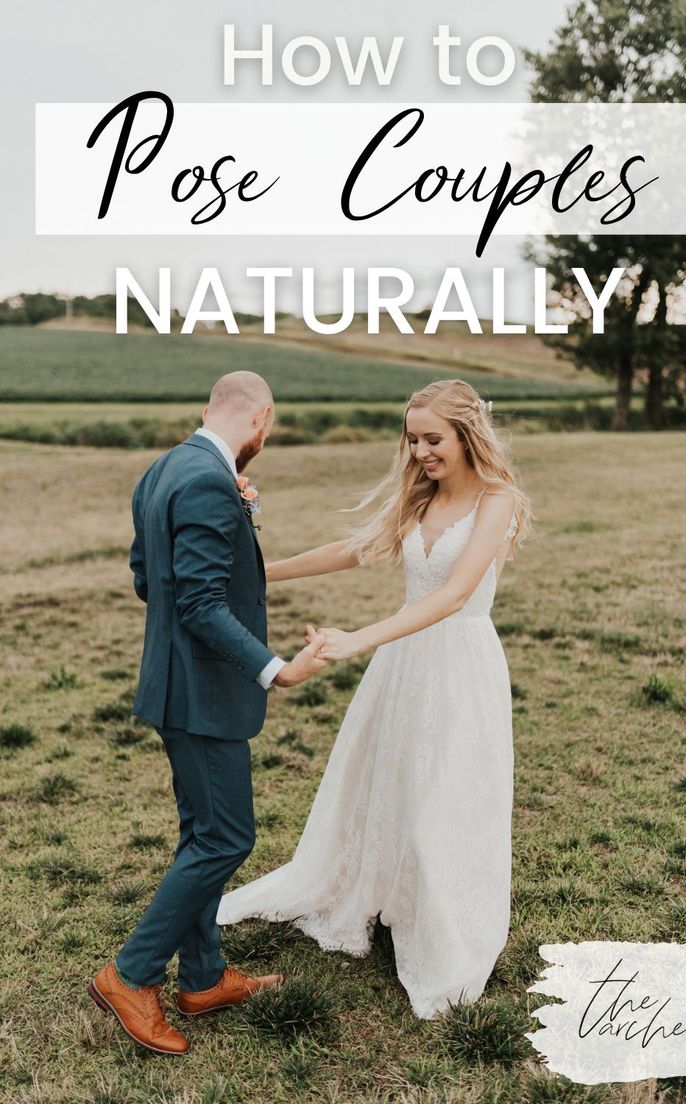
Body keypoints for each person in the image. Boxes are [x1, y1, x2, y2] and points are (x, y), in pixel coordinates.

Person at [217, 378, 531, 1019]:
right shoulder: (422, 497)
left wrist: (359, 638)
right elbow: (353, 549)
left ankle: (444, 929)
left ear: (468, 436)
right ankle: (380, 891)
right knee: (391, 786)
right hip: (405, 663)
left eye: (433, 439)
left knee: (444, 797)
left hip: (461, 662)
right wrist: (255, 571)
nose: (420, 452)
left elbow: (451, 595)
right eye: (413, 439)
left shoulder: (498, 500)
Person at [88, 371, 326, 1055]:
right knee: (226, 837)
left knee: (202, 832)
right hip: (201, 693)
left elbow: (147, 578)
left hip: (173, 685)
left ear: (209, 410)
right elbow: (198, 603)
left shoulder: (164, 470)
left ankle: (202, 976)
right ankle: (130, 976)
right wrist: (276, 668)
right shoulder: (208, 483)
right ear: (264, 419)